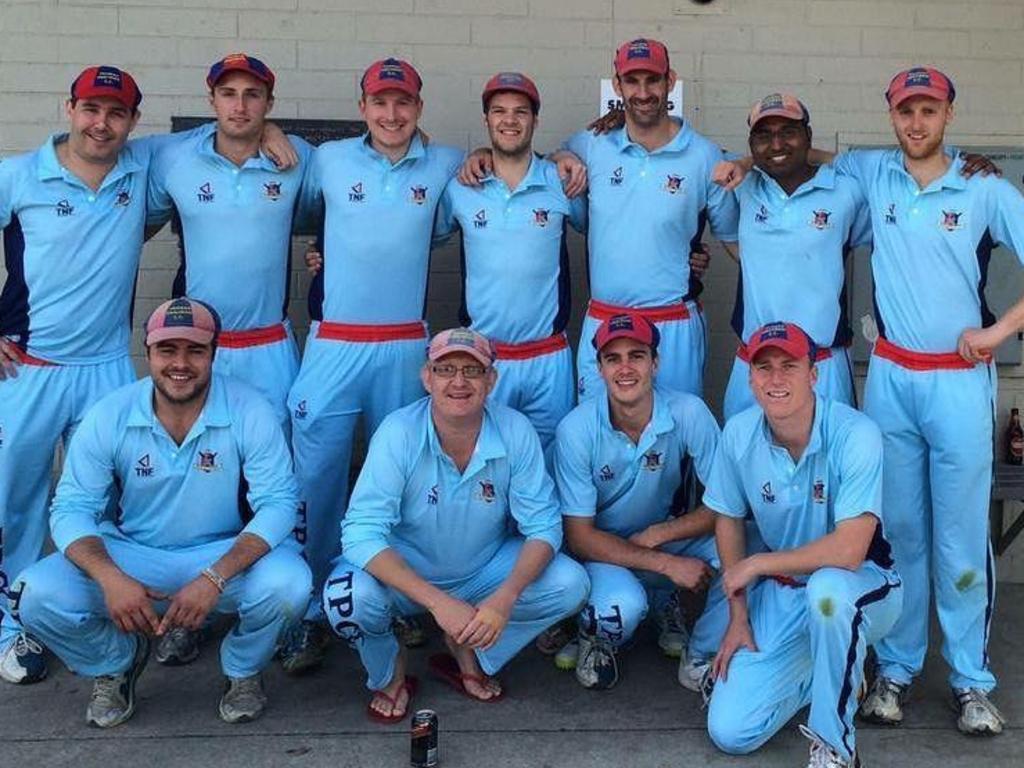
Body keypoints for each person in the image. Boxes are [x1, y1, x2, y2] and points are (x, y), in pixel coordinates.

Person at [11, 298, 311, 726]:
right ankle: (116, 661)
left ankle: (242, 669)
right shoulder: (111, 413)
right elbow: (72, 508)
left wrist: (214, 576)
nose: (181, 364)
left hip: (220, 553)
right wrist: (111, 579)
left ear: (214, 353)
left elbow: (279, 504)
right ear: (148, 353)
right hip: (133, 554)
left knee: (291, 586)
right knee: (32, 595)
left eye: (195, 350)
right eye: (167, 350)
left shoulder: (249, 408)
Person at [283, 58, 466, 671]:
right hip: (333, 342)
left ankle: (395, 600)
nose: (392, 115)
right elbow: (307, 214)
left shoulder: (444, 164)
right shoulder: (327, 160)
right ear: (362, 105)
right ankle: (309, 607)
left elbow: (445, 226)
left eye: (404, 103)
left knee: (407, 478)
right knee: (318, 478)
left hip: (404, 344)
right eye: (380, 103)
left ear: (419, 107)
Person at [321, 327, 588, 722]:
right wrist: (437, 602)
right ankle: (389, 665)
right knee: (344, 599)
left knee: (571, 584)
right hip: (407, 575)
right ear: (427, 378)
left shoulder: (514, 429)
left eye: (472, 370)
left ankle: (469, 645)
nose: (459, 382)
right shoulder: (399, 432)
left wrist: (505, 598)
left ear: (491, 380)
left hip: (482, 570)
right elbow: (359, 533)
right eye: (445, 369)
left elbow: (544, 527)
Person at [0, 66, 163, 684]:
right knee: (16, 501)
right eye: (91, 109)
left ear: (132, 122)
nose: (102, 123)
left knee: (117, 498)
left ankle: (116, 610)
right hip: (29, 369)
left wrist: (275, 130)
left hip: (107, 370)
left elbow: (224, 136)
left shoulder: (139, 171)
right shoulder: (17, 174)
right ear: (68, 108)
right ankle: (10, 625)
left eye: (116, 113)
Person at [462, 38, 738, 400]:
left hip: (673, 322)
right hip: (605, 319)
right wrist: (500, 152)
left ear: (670, 80)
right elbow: (526, 158)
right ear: (618, 84)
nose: (642, 92)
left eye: (652, 80)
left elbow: (736, 242)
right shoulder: (591, 144)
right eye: (632, 80)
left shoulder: (704, 156)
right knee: (596, 435)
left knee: (674, 437)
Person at [704, 321, 902, 768]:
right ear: (750, 378)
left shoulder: (855, 433)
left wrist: (757, 564)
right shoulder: (738, 433)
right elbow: (728, 520)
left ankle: (835, 746)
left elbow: (850, 550)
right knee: (731, 732)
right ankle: (835, 672)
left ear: (814, 374)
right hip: (785, 593)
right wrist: (738, 616)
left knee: (828, 592)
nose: (776, 379)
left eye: (789, 366)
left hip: (865, 588)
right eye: (764, 368)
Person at [553, 312, 726, 690]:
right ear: (598, 368)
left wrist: (660, 534)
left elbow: (726, 504)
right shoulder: (576, 430)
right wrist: (666, 563)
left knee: (739, 549)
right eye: (613, 358)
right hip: (603, 549)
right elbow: (580, 537)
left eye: (637, 355)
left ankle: (701, 652)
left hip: (661, 534)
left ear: (656, 363)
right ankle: (593, 631)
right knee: (623, 611)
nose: (625, 368)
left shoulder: (688, 412)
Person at [148, 53, 313, 431]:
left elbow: (372, 157)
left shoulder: (299, 156)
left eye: (252, 95)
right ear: (212, 100)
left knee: (273, 458)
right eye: (228, 93)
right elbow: (105, 147)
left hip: (269, 344)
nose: (240, 106)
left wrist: (270, 132)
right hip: (199, 345)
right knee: (199, 455)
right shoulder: (171, 154)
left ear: (268, 104)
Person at [435, 72, 586, 456]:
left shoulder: (561, 181)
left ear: (536, 120)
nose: (510, 120)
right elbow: (411, 240)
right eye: (499, 111)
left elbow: (612, 234)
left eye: (521, 111)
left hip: (547, 356)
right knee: (488, 460)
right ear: (486, 120)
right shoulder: (461, 187)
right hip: (484, 357)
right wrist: (322, 252)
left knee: (549, 462)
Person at [720, 93, 871, 419]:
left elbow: (904, 176)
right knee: (748, 461)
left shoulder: (847, 190)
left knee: (827, 464)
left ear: (808, 136)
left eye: (788, 132)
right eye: (764, 135)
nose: (776, 144)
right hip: (754, 360)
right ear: (750, 143)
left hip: (823, 364)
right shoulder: (741, 187)